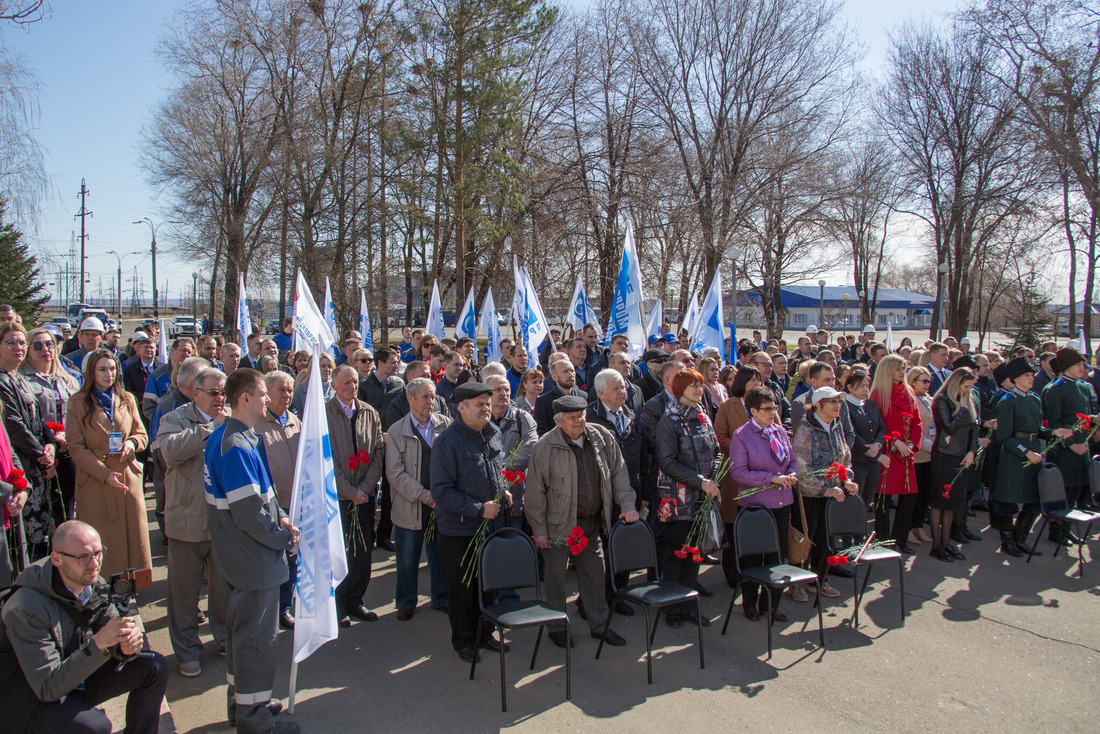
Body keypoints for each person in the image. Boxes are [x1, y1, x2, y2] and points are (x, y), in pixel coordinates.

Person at [0, 521, 169, 734]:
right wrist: (99, 643)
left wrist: (126, 645)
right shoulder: (25, 607)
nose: (94, 563)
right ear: (56, 559)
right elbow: (47, 687)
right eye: (84, 557)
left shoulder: (89, 581)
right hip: (26, 699)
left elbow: (112, 632)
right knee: (96, 727)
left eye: (99, 553)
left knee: (155, 667)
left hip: (68, 676)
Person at [203, 368, 300, 734]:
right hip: (253, 557)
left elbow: (261, 502)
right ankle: (254, 719)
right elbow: (250, 515)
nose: (268, 400)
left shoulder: (229, 436)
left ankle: (246, 702)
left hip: (240, 556)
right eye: (263, 394)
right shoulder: (236, 445)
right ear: (245, 398)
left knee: (241, 635)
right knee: (257, 641)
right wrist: (282, 537)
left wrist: (283, 520)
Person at [526, 394, 638, 647]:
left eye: (581, 416)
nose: (579, 422)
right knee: (556, 577)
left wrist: (628, 504)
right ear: (558, 421)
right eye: (572, 418)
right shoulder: (545, 446)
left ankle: (599, 624)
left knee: (596, 573)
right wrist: (539, 530)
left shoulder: (601, 436)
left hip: (590, 522)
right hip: (558, 524)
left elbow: (619, 472)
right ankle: (556, 627)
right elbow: (534, 492)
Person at [430, 382, 510, 664]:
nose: (486, 408)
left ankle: (485, 633)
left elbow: (494, 469)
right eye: (479, 404)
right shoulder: (447, 442)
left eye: (488, 403)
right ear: (461, 408)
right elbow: (441, 491)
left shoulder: (492, 433)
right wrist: (478, 509)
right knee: (462, 589)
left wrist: (503, 489)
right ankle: (464, 640)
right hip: (461, 530)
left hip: (491, 527)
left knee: (488, 585)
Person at [157, 365, 230, 676]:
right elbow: (170, 452)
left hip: (222, 519)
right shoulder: (173, 419)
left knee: (224, 589)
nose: (219, 398)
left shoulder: (231, 419)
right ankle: (187, 649)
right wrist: (209, 429)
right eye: (213, 393)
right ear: (195, 392)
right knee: (184, 592)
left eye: (223, 393)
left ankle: (225, 637)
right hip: (187, 518)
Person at [66, 350, 151, 578]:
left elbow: (142, 434)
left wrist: (133, 443)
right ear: (91, 372)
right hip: (96, 479)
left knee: (133, 536)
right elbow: (75, 447)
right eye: (103, 369)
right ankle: (101, 584)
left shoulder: (127, 399)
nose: (109, 374)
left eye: (112, 369)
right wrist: (103, 473)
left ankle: (130, 585)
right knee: (101, 537)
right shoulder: (77, 403)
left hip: (126, 475)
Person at [654, 369, 721, 628]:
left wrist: (713, 477)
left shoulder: (702, 416)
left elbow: (716, 451)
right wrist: (700, 481)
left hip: (702, 497)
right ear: (680, 389)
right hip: (677, 499)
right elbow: (667, 461)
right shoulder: (669, 420)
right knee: (675, 555)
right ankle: (672, 609)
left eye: (700, 385)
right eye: (692, 385)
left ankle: (689, 604)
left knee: (695, 553)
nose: (698, 389)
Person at [728, 386, 798, 622]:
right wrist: (770, 479)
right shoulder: (742, 435)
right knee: (754, 557)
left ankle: (771, 604)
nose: (772, 413)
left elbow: (792, 460)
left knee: (776, 558)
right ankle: (749, 603)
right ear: (753, 411)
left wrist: (790, 473)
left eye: (774, 407)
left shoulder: (779, 431)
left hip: (781, 503)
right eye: (767, 409)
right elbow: (738, 472)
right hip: (756, 507)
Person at [386, 377, 450, 621]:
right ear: (410, 399)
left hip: (440, 505)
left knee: (439, 556)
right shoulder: (396, 431)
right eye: (425, 397)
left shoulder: (445, 425)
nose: (430, 402)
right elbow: (395, 473)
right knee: (407, 558)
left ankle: (441, 598)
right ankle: (405, 602)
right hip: (410, 506)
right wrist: (424, 495)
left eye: (433, 396)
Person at [326, 365, 385, 626]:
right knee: (341, 550)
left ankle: (356, 600)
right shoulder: (325, 414)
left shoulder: (369, 412)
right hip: (339, 498)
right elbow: (325, 459)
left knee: (362, 551)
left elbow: (378, 453)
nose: (352, 386)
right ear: (334, 385)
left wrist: (366, 488)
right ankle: (338, 605)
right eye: (347, 382)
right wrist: (349, 492)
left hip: (365, 495)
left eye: (354, 382)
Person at [790, 386, 858, 602]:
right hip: (811, 496)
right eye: (832, 401)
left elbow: (844, 457)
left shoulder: (836, 426)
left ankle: (819, 579)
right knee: (805, 539)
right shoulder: (806, 430)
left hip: (833, 494)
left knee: (825, 539)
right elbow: (802, 468)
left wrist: (847, 478)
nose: (837, 405)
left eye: (839, 401)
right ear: (818, 405)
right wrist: (824, 489)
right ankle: (797, 583)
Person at [0, 323, 59, 561]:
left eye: (22, 342)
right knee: (26, 541)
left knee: (41, 536)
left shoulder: (19, 378)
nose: (19, 347)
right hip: (21, 465)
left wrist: (51, 445)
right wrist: (40, 456)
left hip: (37, 466)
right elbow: (13, 425)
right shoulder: (2, 380)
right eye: (11, 343)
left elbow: (39, 422)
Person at [254, 370, 302, 630]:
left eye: (290, 390)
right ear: (267, 392)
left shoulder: (295, 420)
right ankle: (267, 610)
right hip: (271, 507)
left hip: (295, 504)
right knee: (272, 561)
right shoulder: (257, 424)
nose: (286, 395)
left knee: (292, 560)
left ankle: (285, 607)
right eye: (281, 390)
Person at [20, 327, 81, 523]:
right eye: (37, 345)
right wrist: (51, 439)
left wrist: (67, 436)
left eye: (49, 344)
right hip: (39, 452)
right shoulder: (21, 380)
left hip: (68, 449)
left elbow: (78, 415)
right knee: (44, 509)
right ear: (28, 350)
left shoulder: (68, 379)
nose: (44, 349)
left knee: (67, 506)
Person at [868, 354, 922, 551]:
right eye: (898, 368)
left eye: (904, 368)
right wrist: (895, 442)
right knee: (883, 496)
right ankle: (883, 539)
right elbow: (877, 425)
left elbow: (917, 422)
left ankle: (900, 538)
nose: (902, 372)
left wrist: (912, 445)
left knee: (909, 496)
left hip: (906, 453)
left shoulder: (908, 391)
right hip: (888, 452)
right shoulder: (878, 394)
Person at [927, 367, 979, 562]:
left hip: (961, 456)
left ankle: (946, 542)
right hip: (944, 455)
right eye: (965, 386)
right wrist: (963, 409)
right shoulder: (942, 401)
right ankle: (936, 545)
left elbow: (975, 428)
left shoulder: (967, 401)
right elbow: (948, 427)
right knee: (940, 502)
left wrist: (971, 451)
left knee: (952, 503)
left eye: (970, 387)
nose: (967, 391)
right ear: (956, 383)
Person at [1042, 348, 1100, 517]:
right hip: (1065, 449)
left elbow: (1082, 416)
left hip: (1082, 445)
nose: (1083, 368)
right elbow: (1055, 422)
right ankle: (1057, 529)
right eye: (1078, 364)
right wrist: (1071, 445)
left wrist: (1094, 419)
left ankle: (1066, 528)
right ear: (1067, 366)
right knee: (1063, 492)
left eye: (1083, 364)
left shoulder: (1082, 386)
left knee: (1076, 490)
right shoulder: (1056, 388)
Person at [844, 370, 887, 508]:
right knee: (855, 501)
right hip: (857, 461)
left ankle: (864, 528)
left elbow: (881, 428)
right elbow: (851, 433)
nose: (865, 389)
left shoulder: (870, 404)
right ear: (850, 387)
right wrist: (871, 451)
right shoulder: (846, 406)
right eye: (861, 386)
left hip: (873, 462)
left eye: (867, 385)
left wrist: (877, 445)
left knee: (868, 500)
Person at [906, 367, 935, 546]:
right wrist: (931, 446)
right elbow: (913, 430)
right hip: (917, 455)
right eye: (923, 381)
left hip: (930, 457)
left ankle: (918, 526)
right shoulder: (911, 400)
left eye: (928, 381)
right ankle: (908, 528)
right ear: (913, 381)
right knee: (913, 496)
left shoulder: (929, 399)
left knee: (925, 494)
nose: (926, 384)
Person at [534, 357, 587, 436]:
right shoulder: (544, 401)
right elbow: (542, 433)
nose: (570, 375)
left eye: (572, 371)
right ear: (554, 377)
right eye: (565, 372)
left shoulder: (584, 396)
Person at [290, 352, 334, 416]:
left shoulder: (336, 389)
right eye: (323, 366)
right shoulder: (301, 391)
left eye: (329, 366)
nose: (327, 369)